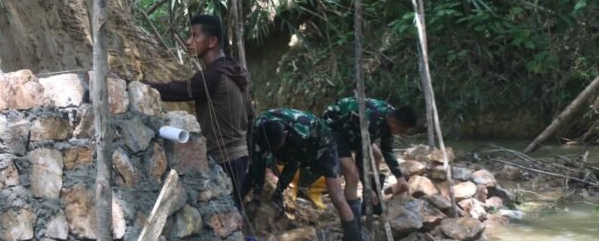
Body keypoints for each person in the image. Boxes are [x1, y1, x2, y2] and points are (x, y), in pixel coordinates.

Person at [144, 15, 252, 209]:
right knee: (234, 214)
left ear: (212, 41)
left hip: (225, 158)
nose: (187, 41)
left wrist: (139, 85)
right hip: (240, 155)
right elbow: (250, 117)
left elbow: (176, 90)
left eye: (194, 36)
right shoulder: (235, 71)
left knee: (227, 218)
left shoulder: (214, 76)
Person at [243, 109, 363, 241]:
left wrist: (278, 193)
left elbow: (292, 165)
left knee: (336, 194)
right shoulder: (257, 130)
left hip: (322, 142)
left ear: (285, 133)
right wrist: (256, 197)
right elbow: (257, 165)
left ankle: (354, 236)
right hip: (286, 141)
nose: (275, 152)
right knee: (255, 171)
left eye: (277, 148)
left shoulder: (300, 133)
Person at [322, 97, 418, 218]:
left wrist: (399, 177)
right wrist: (366, 185)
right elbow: (362, 157)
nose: (401, 134)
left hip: (355, 130)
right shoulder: (373, 121)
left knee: (377, 155)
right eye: (401, 131)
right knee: (353, 175)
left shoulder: (391, 116)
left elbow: (387, 149)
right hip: (334, 127)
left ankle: (372, 201)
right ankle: (354, 220)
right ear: (393, 122)